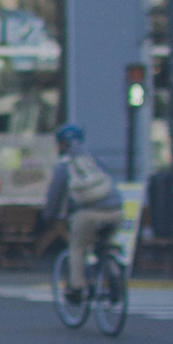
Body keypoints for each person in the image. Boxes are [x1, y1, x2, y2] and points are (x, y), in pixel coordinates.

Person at [42, 124, 123, 298]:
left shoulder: (64, 165)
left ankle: (77, 287)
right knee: (107, 245)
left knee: (77, 247)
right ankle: (114, 274)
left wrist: (48, 216)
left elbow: (55, 195)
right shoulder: (95, 158)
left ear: (62, 144)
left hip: (87, 213)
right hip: (115, 210)